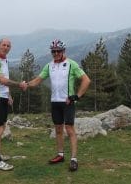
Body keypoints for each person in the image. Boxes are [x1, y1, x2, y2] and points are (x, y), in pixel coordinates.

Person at [24, 39, 91, 171]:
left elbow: (86, 80)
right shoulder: (49, 66)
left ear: (63, 51)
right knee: (58, 129)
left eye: (58, 51)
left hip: (68, 102)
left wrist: (76, 96)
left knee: (70, 129)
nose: (55, 53)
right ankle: (60, 155)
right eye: (53, 51)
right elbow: (38, 80)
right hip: (55, 102)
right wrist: (26, 84)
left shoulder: (71, 64)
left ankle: (73, 159)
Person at [0, 38, 26, 171]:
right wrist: (19, 84)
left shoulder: (4, 60)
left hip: (3, 97)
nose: (6, 47)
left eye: (8, 45)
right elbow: (2, 80)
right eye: (4, 45)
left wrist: (8, 95)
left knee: (2, 127)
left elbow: (5, 78)